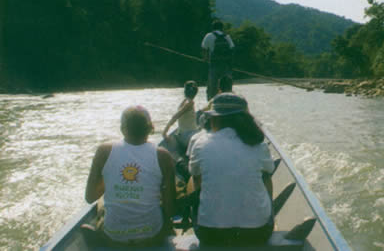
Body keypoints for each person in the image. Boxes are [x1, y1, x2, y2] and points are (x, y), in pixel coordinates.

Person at [188, 93, 275, 246]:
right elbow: (268, 172)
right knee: (265, 176)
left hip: (210, 233)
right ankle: (265, 213)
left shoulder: (200, 144)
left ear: (214, 118)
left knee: (193, 176)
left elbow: (196, 178)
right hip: (257, 232)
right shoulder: (259, 144)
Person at [84, 105, 175, 246]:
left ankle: (99, 235)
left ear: (122, 129)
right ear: (150, 128)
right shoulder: (163, 155)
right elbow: (170, 208)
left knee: (102, 202)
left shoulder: (104, 151)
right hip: (151, 236)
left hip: (114, 237)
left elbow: (90, 197)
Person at [162, 80, 199, 156]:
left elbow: (176, 116)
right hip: (188, 135)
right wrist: (165, 132)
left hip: (181, 134)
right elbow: (175, 116)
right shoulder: (190, 103)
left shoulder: (184, 101)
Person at [201, 20, 235, 101]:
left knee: (212, 88)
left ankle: (211, 104)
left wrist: (205, 59)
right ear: (222, 28)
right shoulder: (227, 36)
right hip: (226, 66)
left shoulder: (209, 36)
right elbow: (232, 49)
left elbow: (204, 49)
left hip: (214, 66)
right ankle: (228, 102)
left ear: (213, 28)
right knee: (227, 86)